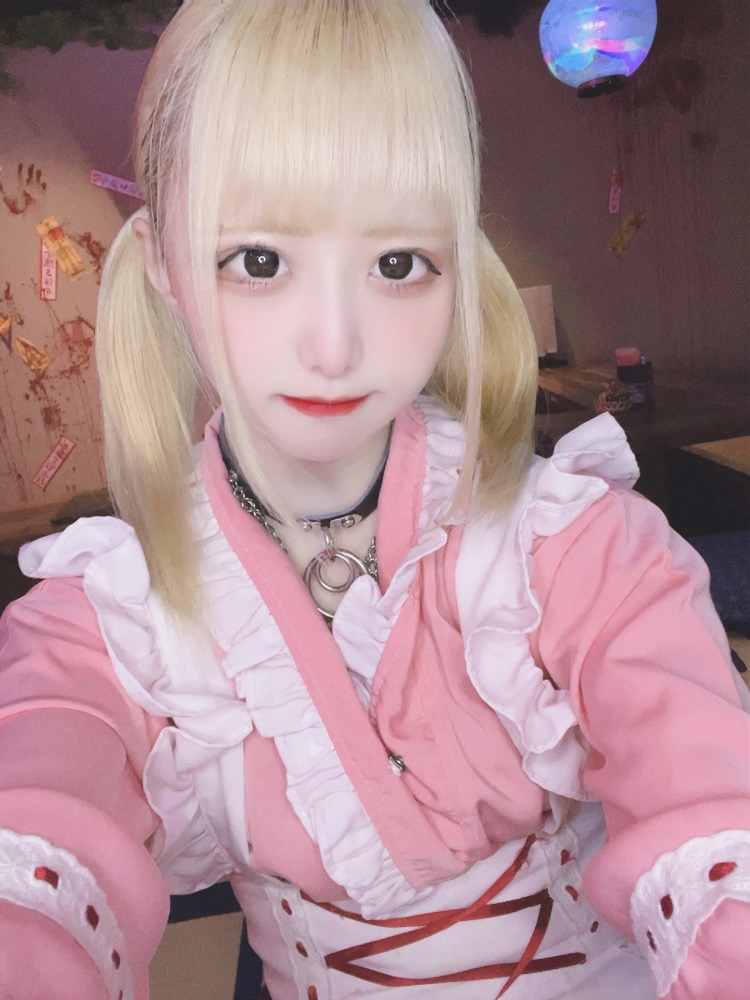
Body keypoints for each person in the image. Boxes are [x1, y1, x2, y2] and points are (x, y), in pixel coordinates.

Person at [0, 2, 748, 998]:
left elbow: (713, 802)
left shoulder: (575, 545)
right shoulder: (109, 618)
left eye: (398, 263)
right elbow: (35, 826)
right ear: (165, 269)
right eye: (258, 260)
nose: (336, 345)